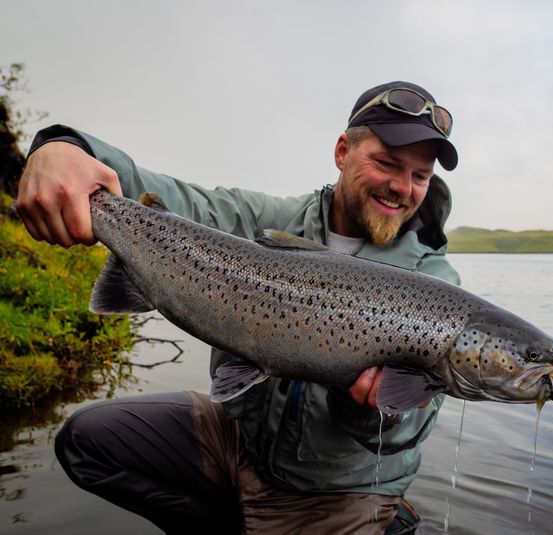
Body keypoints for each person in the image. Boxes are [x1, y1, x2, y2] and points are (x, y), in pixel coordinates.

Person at [15, 81, 460, 534]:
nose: (401, 187)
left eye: (420, 176)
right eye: (386, 163)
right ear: (343, 151)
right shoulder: (271, 220)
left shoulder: (437, 288)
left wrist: (371, 408)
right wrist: (63, 148)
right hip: (240, 440)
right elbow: (167, 196)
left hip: (334, 491)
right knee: (87, 441)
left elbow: (407, 434)